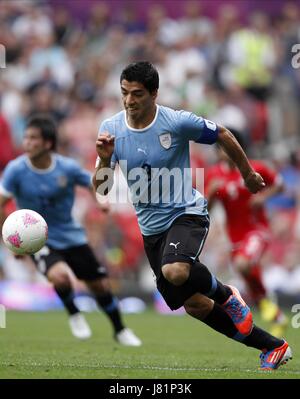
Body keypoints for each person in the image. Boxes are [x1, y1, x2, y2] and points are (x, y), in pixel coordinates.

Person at [93, 61, 292, 370]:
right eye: (124, 93)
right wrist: (105, 161)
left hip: (186, 213)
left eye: (137, 94)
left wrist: (248, 173)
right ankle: (273, 346)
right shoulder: (112, 128)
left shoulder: (175, 122)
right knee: (195, 305)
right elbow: (101, 187)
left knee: (176, 271)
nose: (129, 101)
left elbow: (222, 133)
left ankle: (227, 295)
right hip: (151, 230)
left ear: (154, 93)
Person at [0, 115, 141, 347]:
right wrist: (10, 240)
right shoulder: (16, 170)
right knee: (60, 277)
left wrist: (100, 201)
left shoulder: (66, 167)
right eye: (26, 137)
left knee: (100, 286)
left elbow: (92, 185)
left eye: (33, 138)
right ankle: (74, 313)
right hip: (39, 238)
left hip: (71, 235)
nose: (27, 142)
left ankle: (120, 329)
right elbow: (1, 202)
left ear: (47, 143)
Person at [205, 131, 288, 338]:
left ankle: (268, 307)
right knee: (246, 272)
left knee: (244, 265)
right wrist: (210, 195)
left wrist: (264, 197)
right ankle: (274, 313)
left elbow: (280, 184)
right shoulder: (214, 175)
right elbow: (205, 208)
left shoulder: (255, 168)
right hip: (234, 236)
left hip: (257, 230)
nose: (221, 152)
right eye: (220, 148)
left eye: (225, 147)